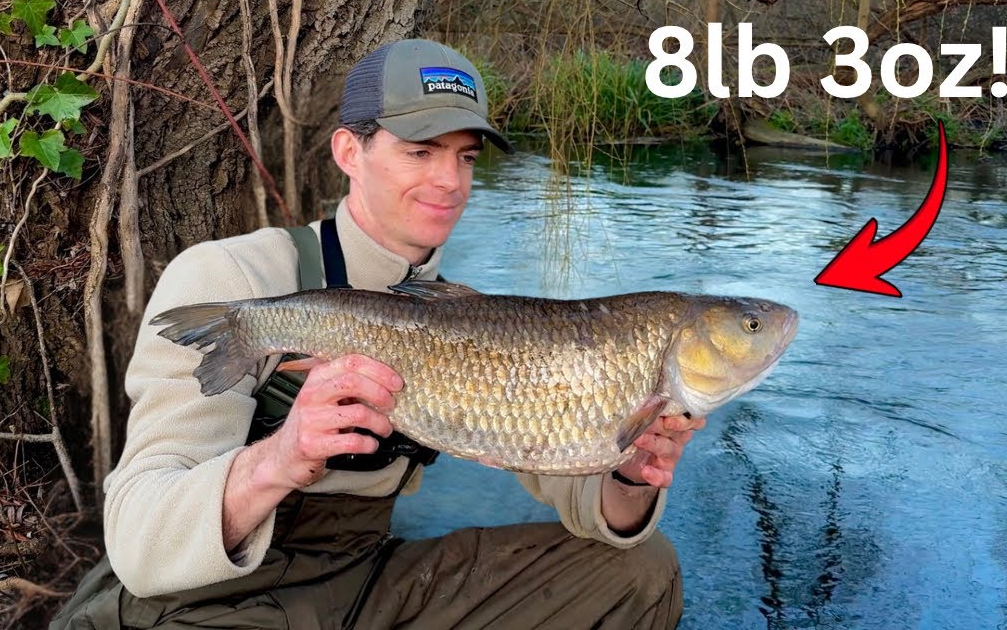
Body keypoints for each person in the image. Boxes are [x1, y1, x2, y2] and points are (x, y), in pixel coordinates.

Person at [50, 39, 706, 630]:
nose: (450, 183)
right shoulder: (234, 280)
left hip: (361, 581)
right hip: (204, 599)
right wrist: (277, 461)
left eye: (465, 158)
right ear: (349, 151)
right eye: (420, 151)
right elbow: (138, 543)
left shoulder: (467, 316)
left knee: (639, 574)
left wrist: (632, 476)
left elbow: (584, 496)